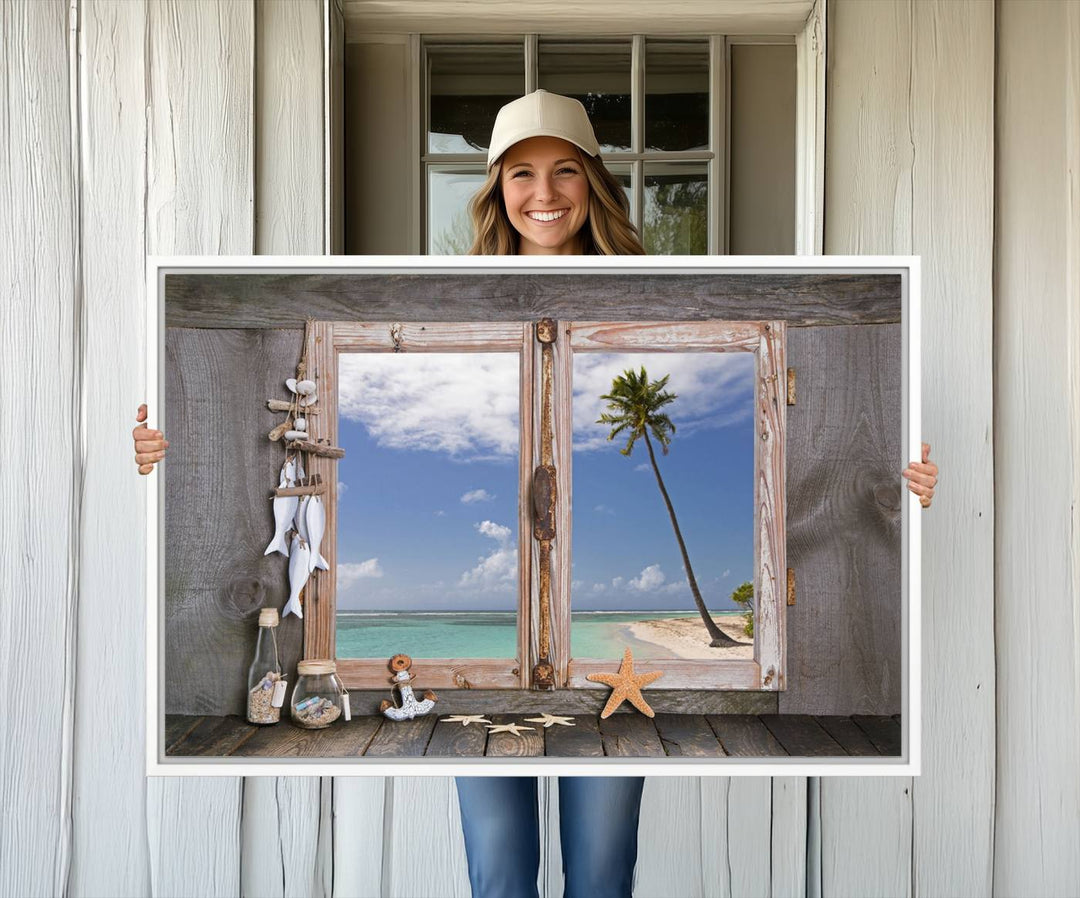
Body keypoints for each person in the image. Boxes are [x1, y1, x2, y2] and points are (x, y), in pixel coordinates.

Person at [132, 90, 939, 898]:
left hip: (601, 677)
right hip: (476, 679)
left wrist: (897, 480)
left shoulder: (670, 306)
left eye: (564, 172)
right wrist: (163, 451)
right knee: (500, 875)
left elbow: (785, 434)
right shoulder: (440, 313)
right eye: (522, 173)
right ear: (495, 189)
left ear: (593, 182)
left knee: (600, 874)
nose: (544, 194)